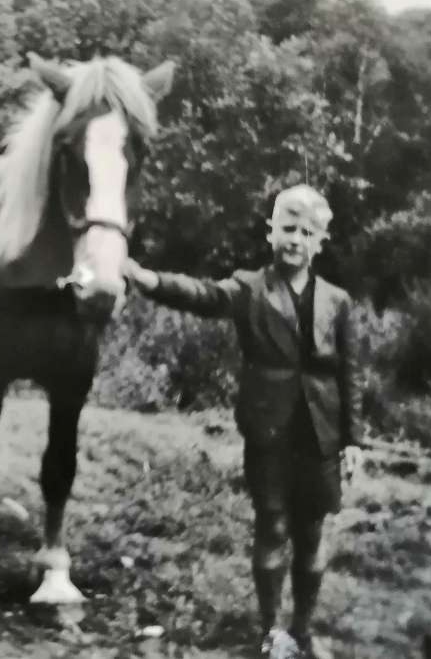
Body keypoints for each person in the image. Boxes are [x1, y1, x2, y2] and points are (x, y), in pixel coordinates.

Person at [124, 184, 363, 659]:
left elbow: (349, 373)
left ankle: (304, 630)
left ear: (321, 240)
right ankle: (272, 631)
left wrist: (354, 439)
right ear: (271, 232)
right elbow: (203, 295)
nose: (295, 239)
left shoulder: (337, 301)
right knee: (272, 526)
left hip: (320, 433)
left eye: (306, 232)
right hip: (269, 429)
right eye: (288, 228)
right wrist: (147, 279)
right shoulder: (250, 289)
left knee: (312, 532)